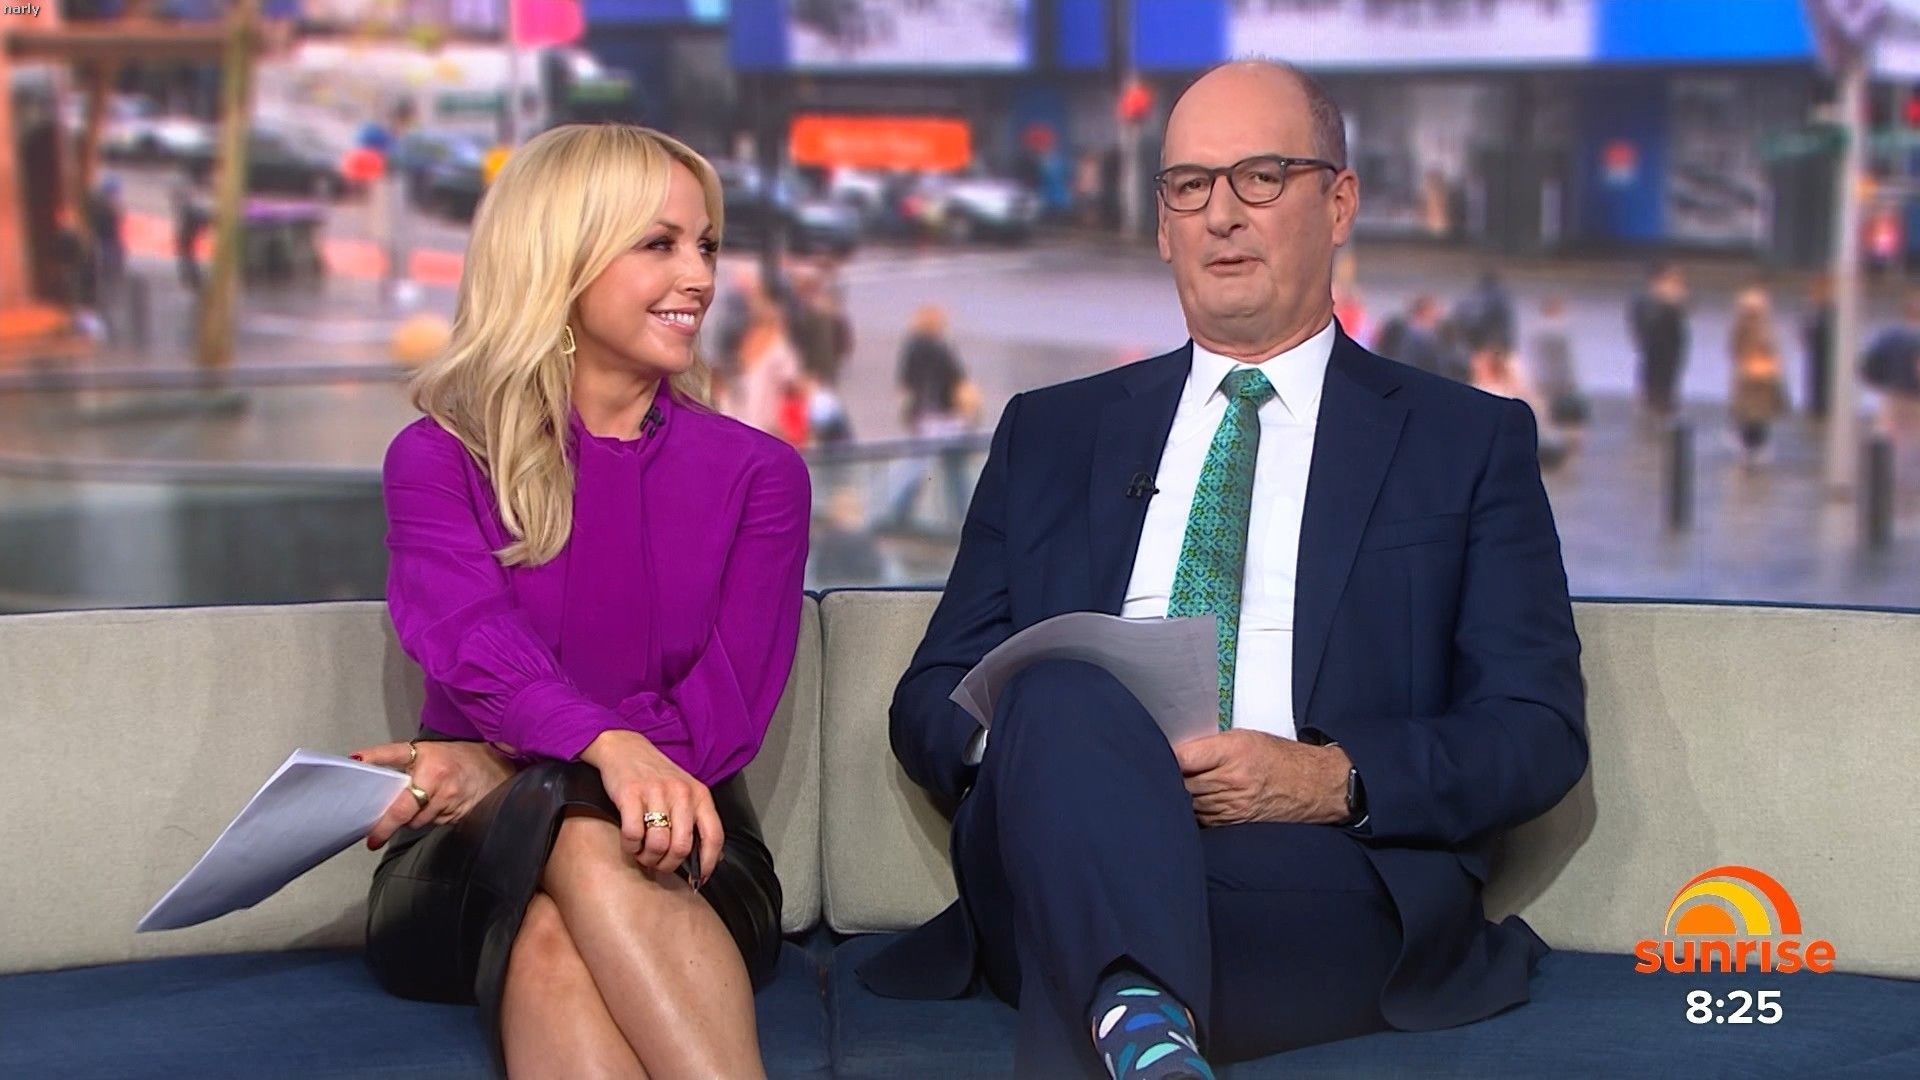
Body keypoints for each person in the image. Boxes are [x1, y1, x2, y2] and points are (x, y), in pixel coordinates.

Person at [858, 61, 1587, 1078]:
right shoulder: (1051, 434)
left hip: (1315, 873)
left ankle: (1135, 1016)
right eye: (1191, 185)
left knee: (1093, 940)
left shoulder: (1463, 442)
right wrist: (1060, 757)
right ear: (1163, 225)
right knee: (1065, 691)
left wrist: (1330, 779)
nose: (1222, 215)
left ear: (1340, 203)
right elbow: (930, 700)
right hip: (1056, 843)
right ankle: (1138, 1010)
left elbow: (1536, 730)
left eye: (1261, 176)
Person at [350, 123, 811, 1079]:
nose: (699, 277)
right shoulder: (437, 459)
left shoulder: (761, 475)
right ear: (561, 257)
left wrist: (510, 764)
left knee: (557, 927)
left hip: (690, 845)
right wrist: (597, 749)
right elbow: (471, 642)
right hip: (464, 864)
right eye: (659, 244)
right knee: (564, 818)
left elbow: (721, 718)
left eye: (706, 245)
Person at [1729, 286, 1788, 468]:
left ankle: (1753, 446)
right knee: (1751, 417)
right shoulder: (1747, 330)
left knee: (1758, 418)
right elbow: (1736, 351)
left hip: (1760, 381)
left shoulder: (1765, 330)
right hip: (1751, 379)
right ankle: (1750, 446)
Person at [1629, 262, 1689, 419]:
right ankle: (1654, 411)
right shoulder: (1648, 300)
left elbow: (1687, 310)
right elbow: (1644, 327)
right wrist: (1667, 302)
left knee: (1666, 388)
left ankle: (1662, 410)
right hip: (1656, 353)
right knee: (1655, 389)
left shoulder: (1672, 302)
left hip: (1670, 353)